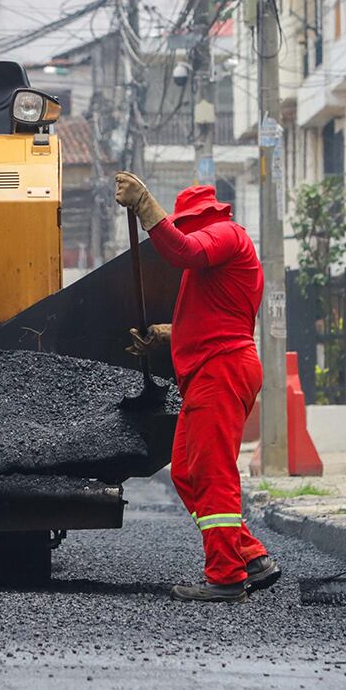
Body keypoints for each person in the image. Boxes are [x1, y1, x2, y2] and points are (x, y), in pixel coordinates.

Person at [115, 174, 278, 602]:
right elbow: (212, 317)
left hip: (221, 369)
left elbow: (182, 249)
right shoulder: (214, 262)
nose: (182, 231)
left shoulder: (225, 235)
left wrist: (144, 204)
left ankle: (225, 576)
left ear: (202, 218)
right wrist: (167, 335)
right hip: (211, 369)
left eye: (185, 222)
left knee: (213, 472)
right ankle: (249, 556)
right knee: (188, 472)